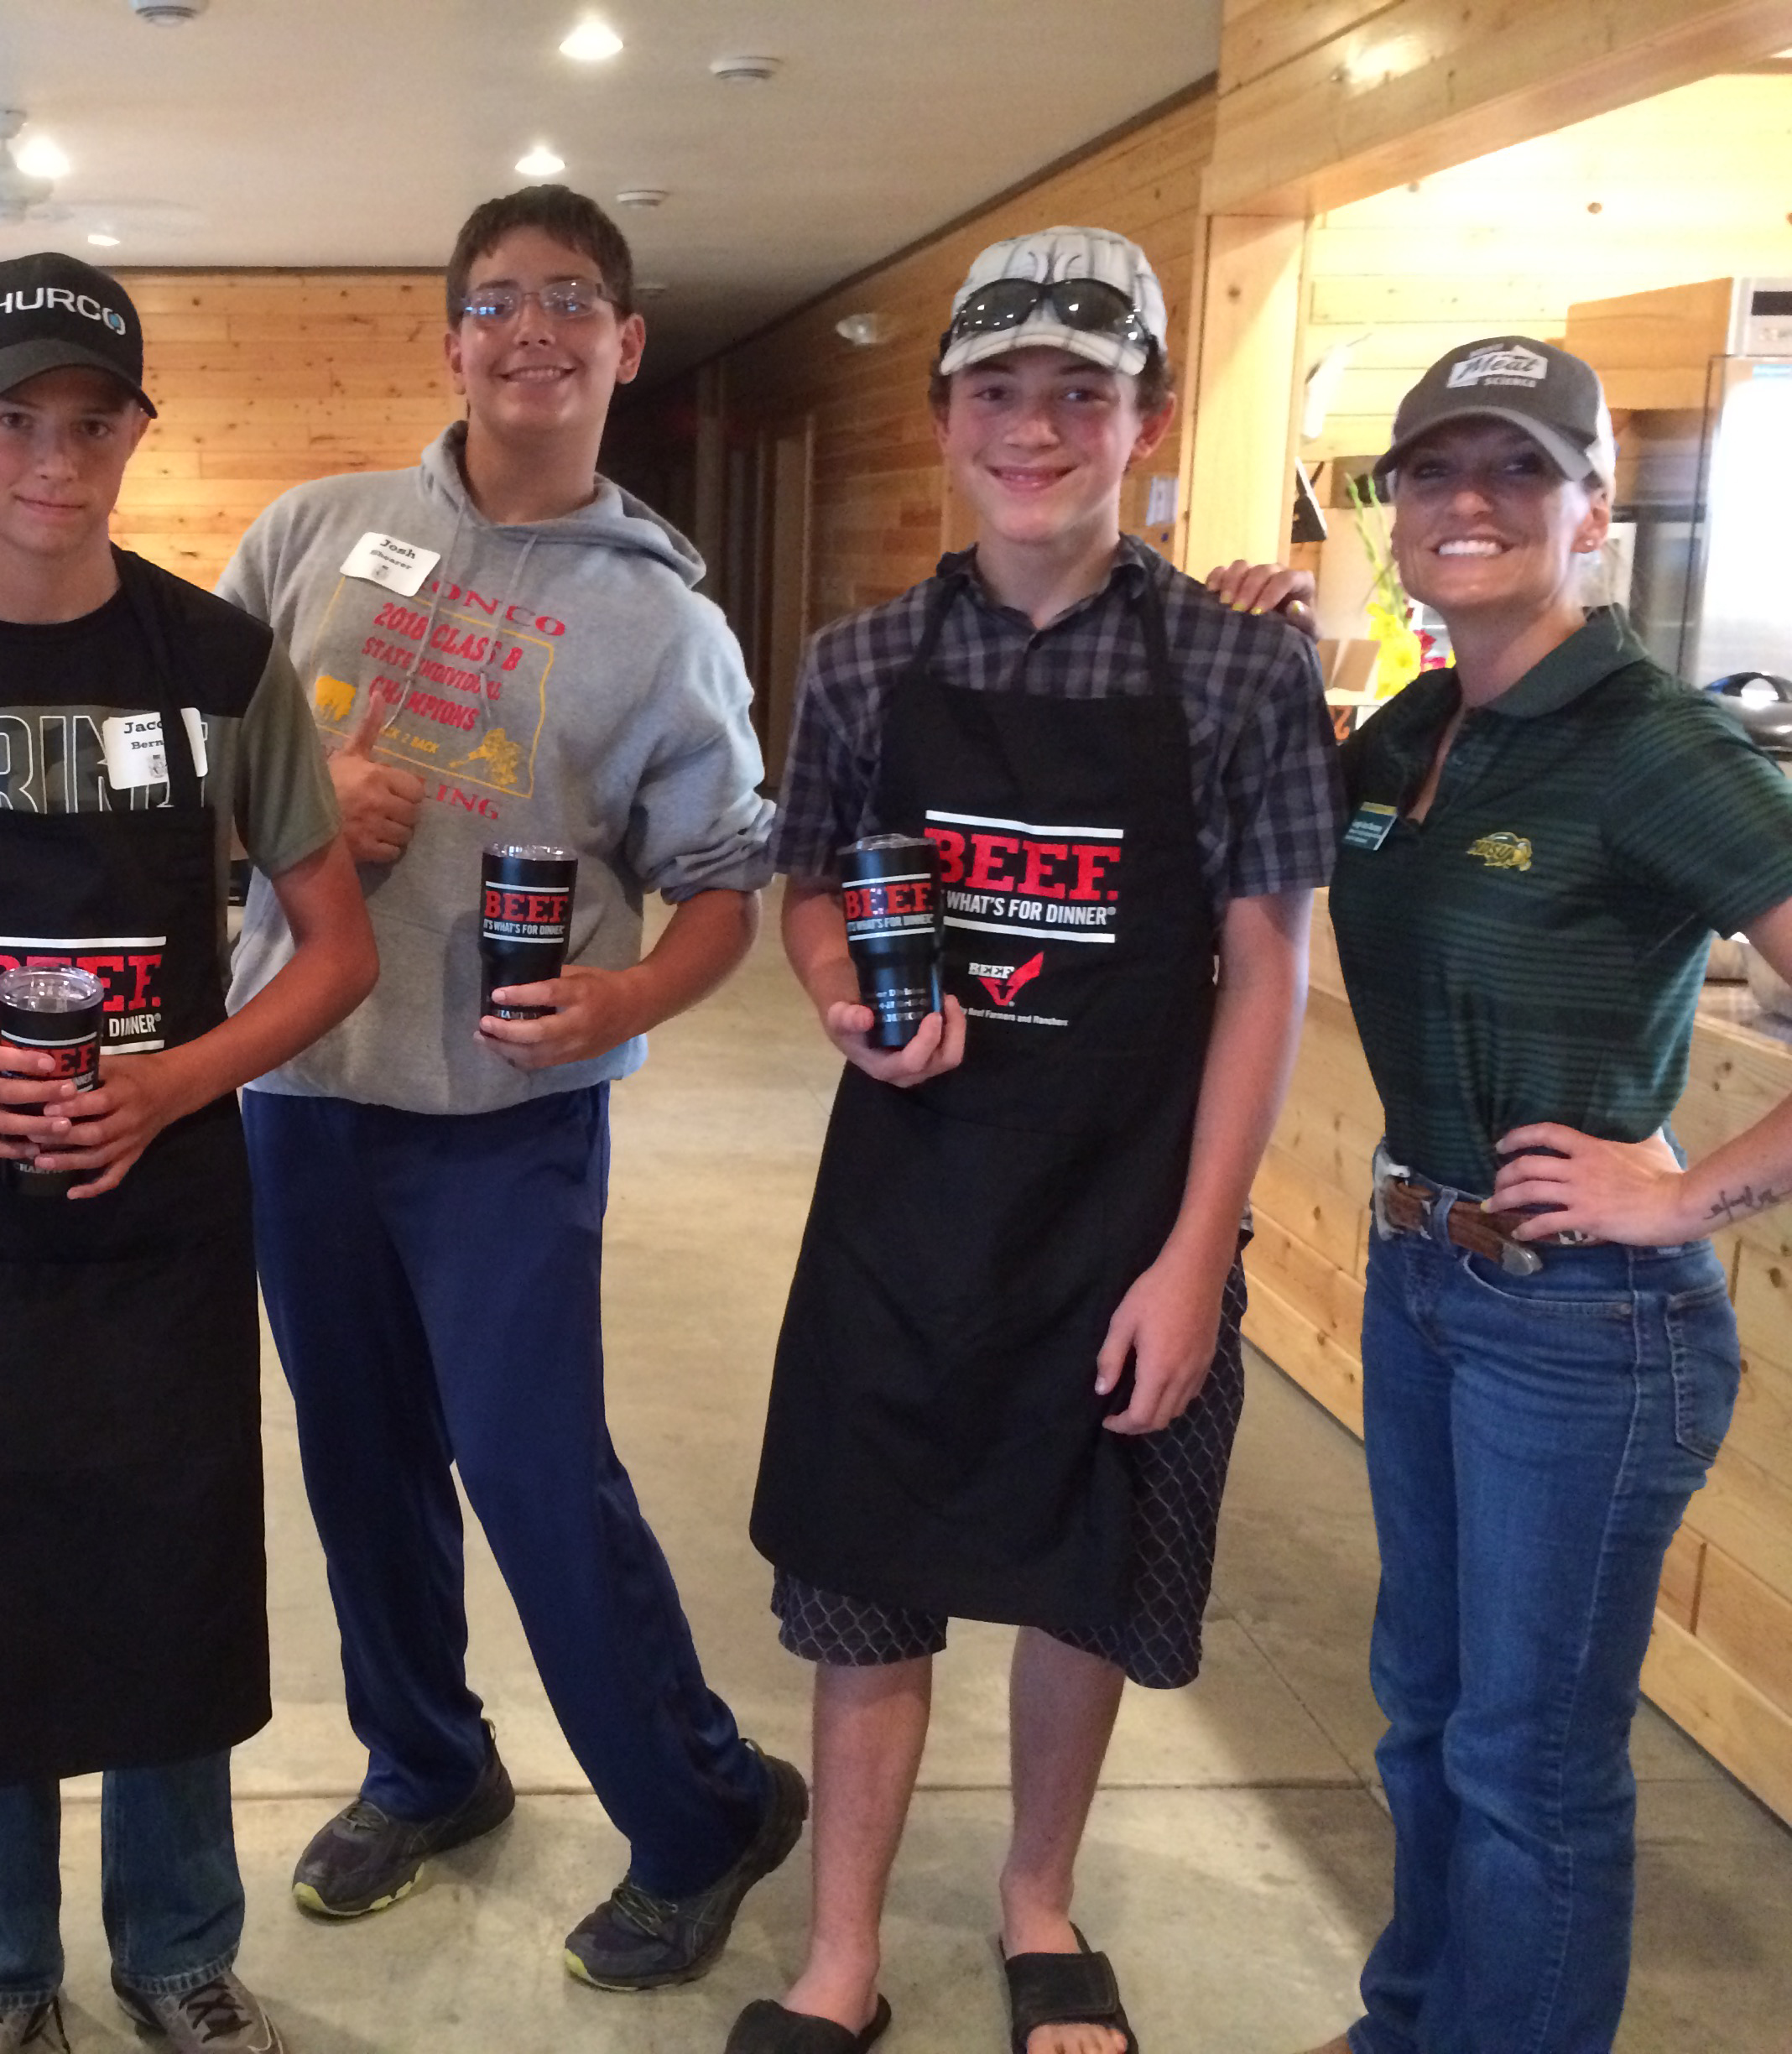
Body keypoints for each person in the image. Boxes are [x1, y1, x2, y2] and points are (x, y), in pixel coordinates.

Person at [737, 227, 1341, 2054]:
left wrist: (1193, 1261)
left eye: (1081, 394)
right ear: (945, 421)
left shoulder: (1240, 678)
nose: (1036, 429)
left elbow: (1266, 973)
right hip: (904, 1215)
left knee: (1079, 1571)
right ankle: (841, 1954)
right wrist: (849, 994)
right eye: (999, 393)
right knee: (867, 1588)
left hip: (1122, 1218)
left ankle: (1037, 1905)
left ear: (1145, 424)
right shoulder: (859, 663)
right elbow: (813, 893)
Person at [0, 252, 375, 2054]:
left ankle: (182, 1948)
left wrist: (177, 1083)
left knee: (170, 1556)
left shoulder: (220, 663)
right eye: (13, 418)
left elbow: (335, 946)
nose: (52, 456)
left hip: (165, 1205)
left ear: (136, 431)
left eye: (88, 421)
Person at [220, 184, 800, 1994]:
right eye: (496, 300)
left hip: (506, 1119)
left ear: (625, 345)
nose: (530, 329)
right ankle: (429, 1766)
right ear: (450, 336)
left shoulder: (664, 624)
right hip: (297, 1083)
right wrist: (293, 792)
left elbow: (723, 880)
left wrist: (629, 988)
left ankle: (701, 1806)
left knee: (536, 1471)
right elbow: (188, 768)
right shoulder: (317, 530)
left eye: (572, 301)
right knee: (358, 1461)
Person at [1212, 338, 1792, 2054]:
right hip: (1422, 1279)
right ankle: (1411, 2026)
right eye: (1434, 471)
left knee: (1529, 1763)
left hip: (1585, 1322)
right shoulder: (1420, 725)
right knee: (1424, 1717)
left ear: (1591, 509)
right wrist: (1255, 673)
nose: (1469, 502)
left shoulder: (1653, 742)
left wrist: (1689, 1199)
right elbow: (1250, 868)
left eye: (1520, 470)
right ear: (1391, 509)